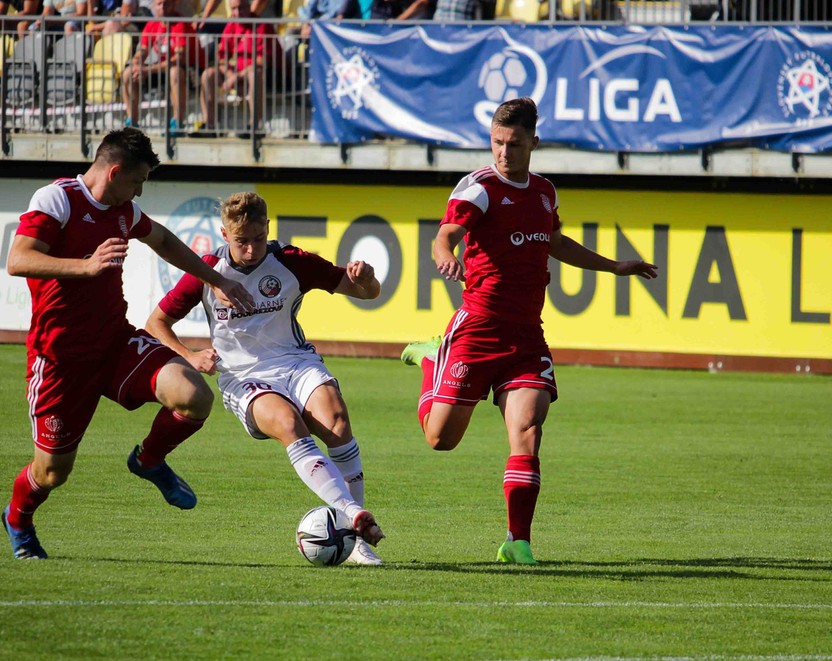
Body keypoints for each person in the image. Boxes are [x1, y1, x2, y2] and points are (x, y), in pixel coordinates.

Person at [400, 97, 658, 566]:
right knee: (440, 439)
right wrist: (445, 254)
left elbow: (555, 242)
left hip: (526, 338)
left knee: (528, 431)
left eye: (513, 144)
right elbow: (445, 233)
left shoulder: (544, 191)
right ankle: (433, 359)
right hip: (477, 330)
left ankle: (518, 541)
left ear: (533, 142)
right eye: (497, 142)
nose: (503, 153)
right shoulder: (478, 187)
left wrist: (615, 266)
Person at [1, 128, 255, 560]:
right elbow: (18, 259)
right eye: (136, 182)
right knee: (51, 473)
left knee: (193, 396)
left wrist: (216, 278)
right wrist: (86, 266)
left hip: (116, 344)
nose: (138, 192)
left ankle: (149, 459)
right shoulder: (57, 200)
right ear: (115, 171)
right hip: (60, 360)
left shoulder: (124, 211)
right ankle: (18, 519)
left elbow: (163, 240)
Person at [145, 191, 386, 565]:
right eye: (242, 241)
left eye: (258, 239)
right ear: (225, 235)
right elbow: (156, 323)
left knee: (337, 422)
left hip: (295, 362)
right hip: (244, 378)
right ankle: (352, 517)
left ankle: (357, 541)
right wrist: (190, 355)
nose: (252, 249)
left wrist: (367, 280)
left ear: (268, 229)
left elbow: (366, 293)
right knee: (289, 423)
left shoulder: (291, 261)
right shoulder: (206, 272)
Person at [193, 0, 280, 137]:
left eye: (241, 8)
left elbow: (261, 61)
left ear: (248, 7)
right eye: (233, 9)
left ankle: (255, 126)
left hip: (269, 76)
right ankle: (209, 125)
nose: (238, 13)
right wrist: (230, 75)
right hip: (238, 74)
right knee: (208, 74)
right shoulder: (231, 26)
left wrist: (236, 77)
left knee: (254, 74)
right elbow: (221, 58)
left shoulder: (262, 27)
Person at [121, 0, 204, 132]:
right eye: (159, 4)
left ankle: (177, 122)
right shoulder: (152, 24)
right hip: (164, 67)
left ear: (174, 5)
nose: (163, 8)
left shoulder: (180, 24)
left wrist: (148, 69)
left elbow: (178, 59)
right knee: (128, 73)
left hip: (191, 69)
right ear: (153, 6)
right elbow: (142, 51)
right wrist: (136, 63)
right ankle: (132, 122)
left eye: (167, 4)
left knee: (175, 72)